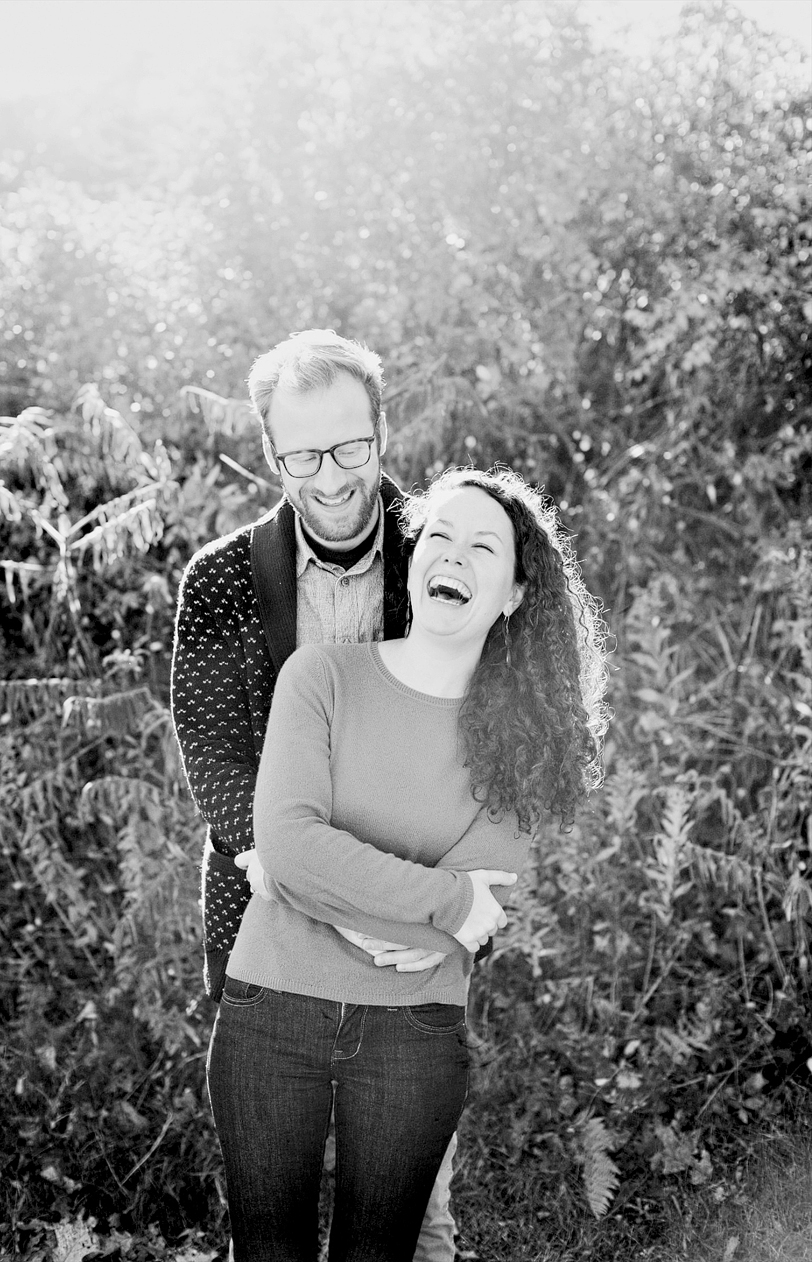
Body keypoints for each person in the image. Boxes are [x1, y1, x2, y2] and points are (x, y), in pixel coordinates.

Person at [207, 465, 610, 1260]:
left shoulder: (526, 743)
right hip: (269, 1008)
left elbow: (477, 899)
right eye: (441, 536)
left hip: (415, 1030)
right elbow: (286, 845)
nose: (453, 556)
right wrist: (445, 909)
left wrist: (420, 909)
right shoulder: (320, 677)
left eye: (483, 547)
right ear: (417, 554)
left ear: (516, 593)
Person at [171, 329, 464, 1260]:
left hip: (405, 939)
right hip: (266, 931)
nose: (330, 478)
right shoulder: (221, 580)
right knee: (271, 1229)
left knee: (414, 1226)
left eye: (350, 447)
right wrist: (286, 868)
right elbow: (213, 749)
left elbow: (485, 744)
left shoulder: (445, 562)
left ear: (384, 431)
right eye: (303, 455)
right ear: (271, 453)